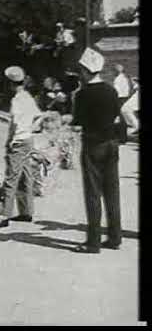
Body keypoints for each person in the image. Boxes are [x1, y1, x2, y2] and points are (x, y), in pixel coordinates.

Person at [72, 47, 122, 253]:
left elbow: (78, 121)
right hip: (112, 144)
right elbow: (117, 117)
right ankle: (115, 237)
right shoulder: (112, 91)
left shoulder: (82, 94)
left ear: (85, 71)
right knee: (112, 192)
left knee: (93, 193)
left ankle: (93, 241)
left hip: (93, 145)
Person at [0, 66, 45, 228]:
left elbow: (14, 124)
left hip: (19, 141)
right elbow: (39, 116)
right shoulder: (28, 97)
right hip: (28, 140)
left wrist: (9, 141)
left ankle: (4, 216)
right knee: (25, 176)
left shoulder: (16, 100)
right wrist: (30, 128)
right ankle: (26, 212)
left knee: (11, 178)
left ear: (10, 84)